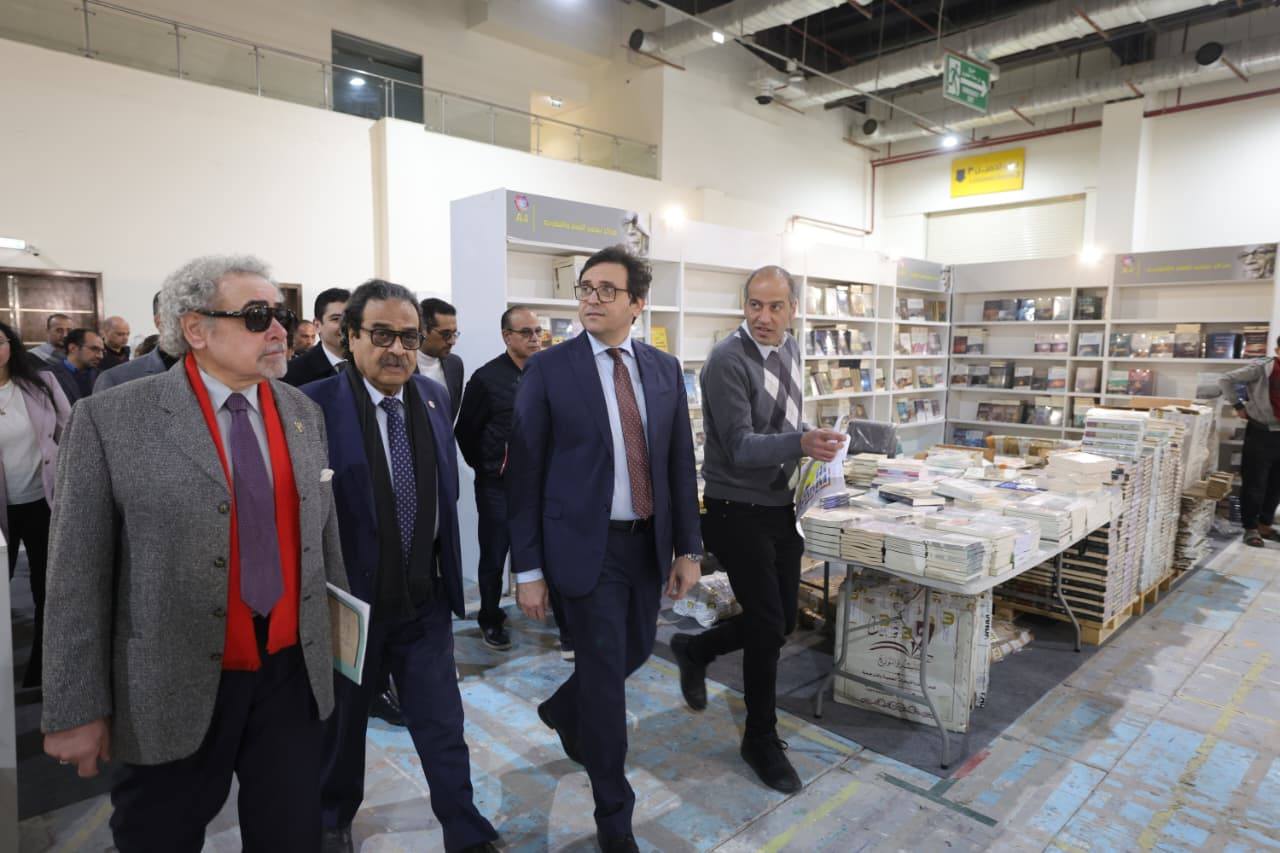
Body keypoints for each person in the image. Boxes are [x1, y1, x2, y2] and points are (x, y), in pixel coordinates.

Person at [41, 255, 348, 852]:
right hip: (170, 680)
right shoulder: (112, 418)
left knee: (291, 835)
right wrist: (75, 707)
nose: (279, 330)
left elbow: (322, 541)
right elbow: (76, 574)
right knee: (160, 836)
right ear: (196, 329)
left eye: (281, 316)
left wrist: (338, 654)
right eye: (256, 316)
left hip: (289, 675)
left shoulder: (302, 412)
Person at [506, 245, 703, 852]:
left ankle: (566, 710)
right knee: (606, 686)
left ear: (637, 303)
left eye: (606, 290)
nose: (591, 299)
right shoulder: (550, 369)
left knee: (635, 650)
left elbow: (679, 463)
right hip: (583, 547)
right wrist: (528, 569)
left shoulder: (663, 369)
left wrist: (689, 547)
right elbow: (525, 474)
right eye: (586, 288)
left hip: (647, 545)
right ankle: (614, 815)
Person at [303, 280, 499, 853]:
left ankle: (464, 827)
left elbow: (442, 492)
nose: (397, 349)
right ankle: (332, 818)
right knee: (342, 729)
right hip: (350, 606)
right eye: (382, 334)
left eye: (409, 337)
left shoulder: (433, 399)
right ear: (351, 336)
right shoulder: (311, 406)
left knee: (442, 723)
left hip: (424, 599)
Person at [668, 265, 847, 794]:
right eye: (754, 305)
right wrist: (800, 443)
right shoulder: (727, 360)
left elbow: (783, 425)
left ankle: (696, 650)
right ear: (744, 305)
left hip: (779, 505)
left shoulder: (790, 350)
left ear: (793, 309)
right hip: (734, 508)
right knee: (768, 626)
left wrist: (814, 448)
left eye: (775, 306)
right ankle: (759, 737)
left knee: (782, 620)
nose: (763, 317)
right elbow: (741, 446)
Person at [455, 306, 571, 654]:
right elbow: (465, 432)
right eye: (526, 333)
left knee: (554, 552)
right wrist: (489, 467)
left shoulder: (551, 372)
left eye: (538, 332)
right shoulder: (486, 378)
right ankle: (490, 618)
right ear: (507, 336)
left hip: (545, 485)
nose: (535, 339)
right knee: (495, 556)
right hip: (499, 486)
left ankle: (562, 619)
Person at [0, 320, 71, 690]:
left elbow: (69, 432)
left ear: (11, 345)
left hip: (45, 500)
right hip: (2, 511)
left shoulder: (41, 383)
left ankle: (44, 669)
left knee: (48, 588)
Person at [1216, 336, 1280, 547]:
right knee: (1255, 482)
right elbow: (1225, 379)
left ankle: (1265, 525)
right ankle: (1251, 528)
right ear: (1278, 351)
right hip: (1262, 433)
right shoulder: (1261, 368)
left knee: (1276, 484)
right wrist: (1237, 405)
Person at [95, 293, 180, 392]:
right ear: (159, 322)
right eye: (120, 334)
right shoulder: (115, 379)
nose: (125, 338)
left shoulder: (127, 353)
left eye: (127, 334)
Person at [284, 288, 350, 387]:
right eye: (336, 319)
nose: (345, 325)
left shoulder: (369, 364)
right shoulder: (292, 373)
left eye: (351, 318)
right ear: (317, 325)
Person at [417, 297, 464, 420]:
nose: (452, 341)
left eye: (454, 334)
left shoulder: (455, 364)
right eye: (446, 334)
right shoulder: (403, 365)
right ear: (423, 330)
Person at [46, 328, 104, 404]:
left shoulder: (102, 376)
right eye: (94, 349)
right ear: (73, 348)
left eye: (102, 351)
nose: (100, 356)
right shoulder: (47, 376)